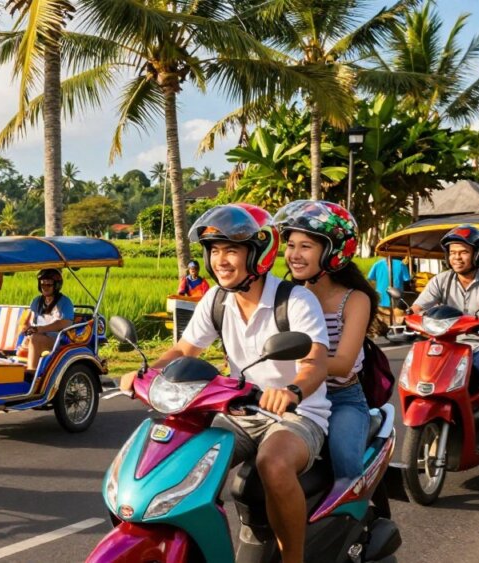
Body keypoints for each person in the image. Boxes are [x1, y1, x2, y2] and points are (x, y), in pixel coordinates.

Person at [121, 203, 330, 563]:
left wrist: (292, 391)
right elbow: (186, 348)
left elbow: (314, 362)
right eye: (215, 251)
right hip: (240, 410)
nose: (221, 260)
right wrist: (145, 373)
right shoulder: (216, 299)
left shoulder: (295, 300)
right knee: (180, 456)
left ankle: (293, 559)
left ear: (258, 253)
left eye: (232, 250)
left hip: (298, 415)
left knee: (273, 463)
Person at [275, 200, 379, 484]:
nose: (294, 255)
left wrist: (300, 367)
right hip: (295, 395)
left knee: (344, 461)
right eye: (291, 245)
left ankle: (353, 515)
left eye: (305, 246)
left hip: (340, 398)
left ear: (333, 252)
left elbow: (344, 364)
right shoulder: (287, 296)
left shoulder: (354, 299)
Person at [411, 225, 479, 452]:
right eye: (453, 252)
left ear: (478, 254)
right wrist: (415, 316)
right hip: (448, 342)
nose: (456, 257)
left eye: (463, 252)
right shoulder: (441, 280)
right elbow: (418, 306)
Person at [20, 268, 74, 374]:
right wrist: (27, 328)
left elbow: (64, 323)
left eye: (49, 285)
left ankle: (32, 373)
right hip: (39, 337)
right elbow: (30, 320)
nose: (45, 288)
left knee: (35, 339)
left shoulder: (65, 302)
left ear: (57, 285)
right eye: (42, 284)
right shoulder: (36, 301)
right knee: (28, 339)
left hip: (58, 341)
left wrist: (40, 329)